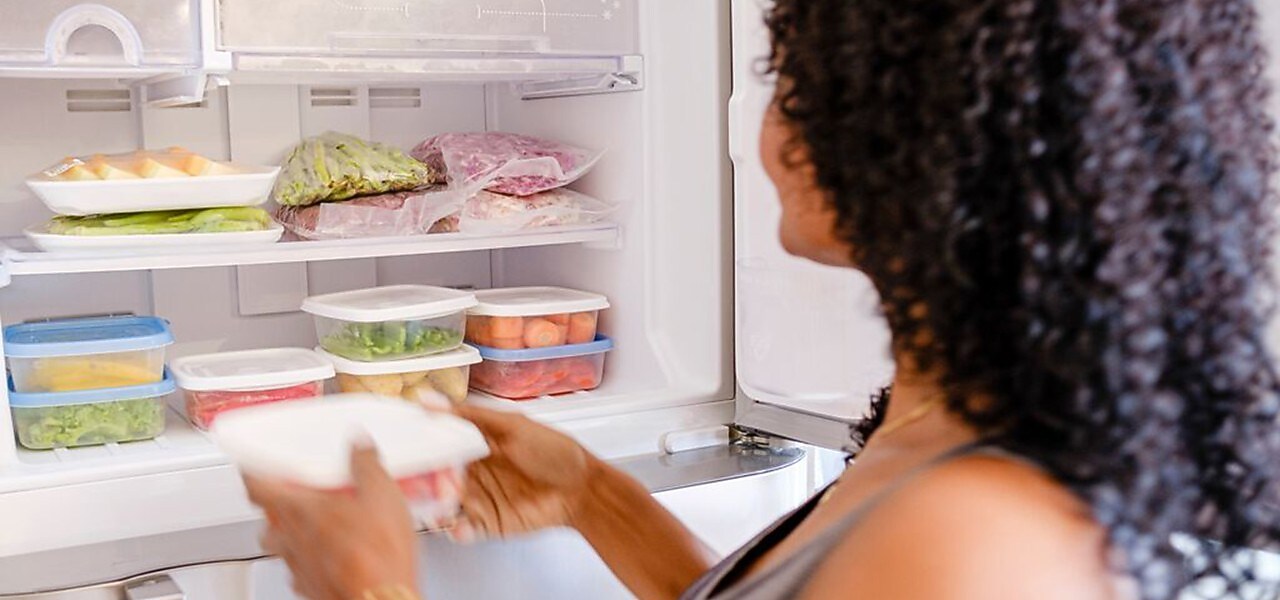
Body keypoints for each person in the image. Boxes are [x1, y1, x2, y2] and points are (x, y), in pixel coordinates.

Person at [245, 0, 1280, 598]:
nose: (766, 126)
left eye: (798, 80)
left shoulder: (976, 542)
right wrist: (592, 494)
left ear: (934, 144)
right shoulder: (943, 423)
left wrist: (367, 588)